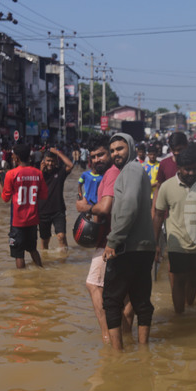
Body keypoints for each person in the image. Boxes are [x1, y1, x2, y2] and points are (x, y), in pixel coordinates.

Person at [153, 144, 196, 314]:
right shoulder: (167, 187)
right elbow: (158, 215)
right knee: (178, 279)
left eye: (194, 169)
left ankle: (189, 308)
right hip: (176, 242)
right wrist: (154, 243)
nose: (191, 173)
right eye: (187, 169)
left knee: (194, 280)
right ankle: (180, 316)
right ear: (179, 168)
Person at [102, 133, 156, 351]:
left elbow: (130, 205)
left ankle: (117, 354)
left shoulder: (132, 170)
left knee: (111, 301)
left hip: (128, 248)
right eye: (112, 150)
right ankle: (143, 352)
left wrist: (113, 240)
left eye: (120, 149)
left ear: (130, 148)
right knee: (141, 301)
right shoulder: (136, 170)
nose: (116, 153)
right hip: (142, 248)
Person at [75, 140, 132, 344]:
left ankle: (108, 336)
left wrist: (84, 208)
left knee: (93, 284)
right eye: (93, 156)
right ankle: (126, 337)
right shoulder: (120, 172)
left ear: (110, 153)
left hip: (110, 238)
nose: (97, 159)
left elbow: (105, 207)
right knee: (125, 293)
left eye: (101, 155)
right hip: (124, 238)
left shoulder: (111, 174)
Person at [0, 143, 46, 269]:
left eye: (13, 155)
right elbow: (43, 195)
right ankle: (41, 270)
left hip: (17, 222)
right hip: (33, 220)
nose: (12, 157)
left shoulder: (11, 174)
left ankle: (21, 279)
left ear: (16, 158)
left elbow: (5, 198)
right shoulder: (38, 173)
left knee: (19, 254)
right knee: (33, 249)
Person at [38, 146, 75, 250]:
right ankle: (45, 258)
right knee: (45, 240)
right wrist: (41, 173)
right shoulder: (38, 174)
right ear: (43, 161)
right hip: (42, 212)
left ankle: (64, 259)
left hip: (58, 211)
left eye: (52, 161)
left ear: (56, 162)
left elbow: (71, 165)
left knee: (61, 237)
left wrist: (58, 152)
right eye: (48, 161)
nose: (50, 163)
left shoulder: (60, 172)